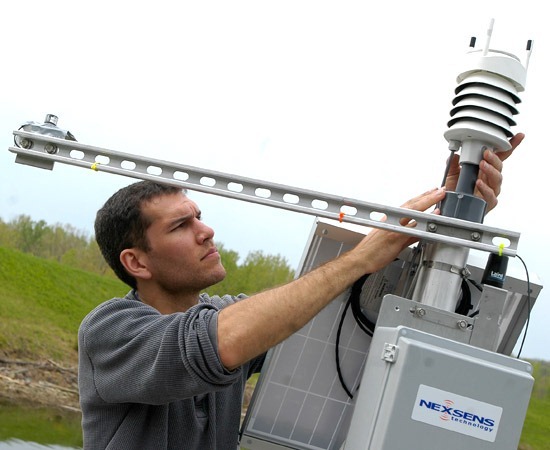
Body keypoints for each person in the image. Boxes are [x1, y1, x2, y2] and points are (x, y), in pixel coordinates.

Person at [77, 134, 523, 450]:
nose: (207, 231)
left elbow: (342, 319)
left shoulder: (226, 318)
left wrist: (455, 208)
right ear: (137, 262)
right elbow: (218, 342)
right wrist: (359, 257)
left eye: (199, 216)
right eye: (181, 225)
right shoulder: (111, 330)